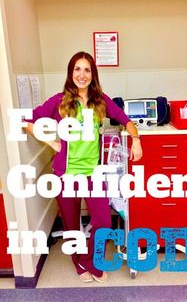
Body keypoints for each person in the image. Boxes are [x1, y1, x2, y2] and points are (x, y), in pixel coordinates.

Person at [24, 51, 142, 283]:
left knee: (103, 221)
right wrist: (51, 142)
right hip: (65, 174)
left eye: (87, 70)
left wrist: (136, 140)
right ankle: (79, 265)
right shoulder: (59, 102)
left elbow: (126, 121)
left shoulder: (100, 101)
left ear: (93, 74)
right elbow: (27, 120)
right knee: (71, 225)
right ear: (71, 73)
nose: (82, 74)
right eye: (77, 69)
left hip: (92, 174)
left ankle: (89, 261)